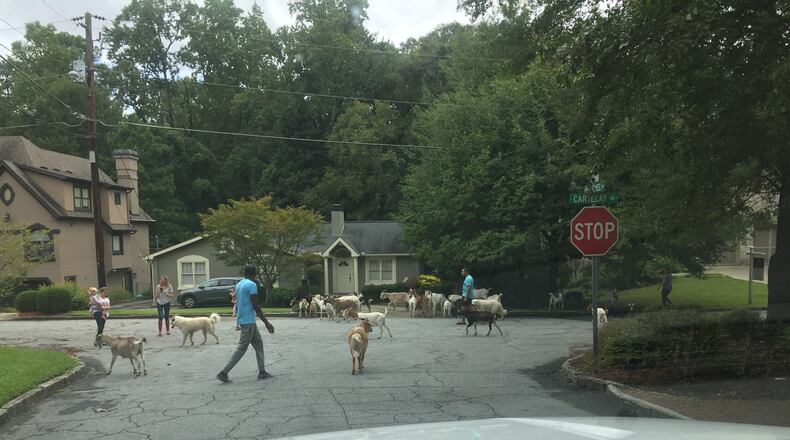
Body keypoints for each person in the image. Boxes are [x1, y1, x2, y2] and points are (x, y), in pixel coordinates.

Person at [217, 265, 275, 383]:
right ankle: (223, 373)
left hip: (245, 320)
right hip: (248, 322)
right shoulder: (251, 285)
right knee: (242, 348)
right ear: (254, 274)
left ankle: (262, 372)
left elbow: (240, 302)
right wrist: (267, 323)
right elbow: (255, 305)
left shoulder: (239, 284)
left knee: (258, 344)